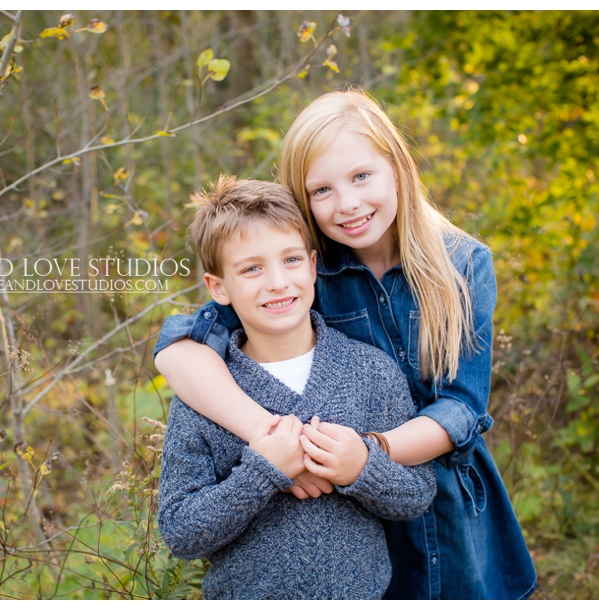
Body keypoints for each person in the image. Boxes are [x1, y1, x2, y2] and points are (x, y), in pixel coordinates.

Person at [154, 90, 537, 600]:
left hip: (437, 493)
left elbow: (463, 406)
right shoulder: (307, 270)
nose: (349, 203)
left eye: (361, 176)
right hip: (340, 521)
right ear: (303, 198)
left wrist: (368, 453)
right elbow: (179, 348)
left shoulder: (462, 264)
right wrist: (274, 441)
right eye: (322, 190)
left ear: (397, 167)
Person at [157, 176, 436, 600]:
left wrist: (362, 468)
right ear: (219, 288)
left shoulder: (369, 371)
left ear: (311, 265)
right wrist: (260, 473)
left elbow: (418, 494)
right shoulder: (205, 395)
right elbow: (180, 532)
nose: (277, 282)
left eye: (290, 260)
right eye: (251, 268)